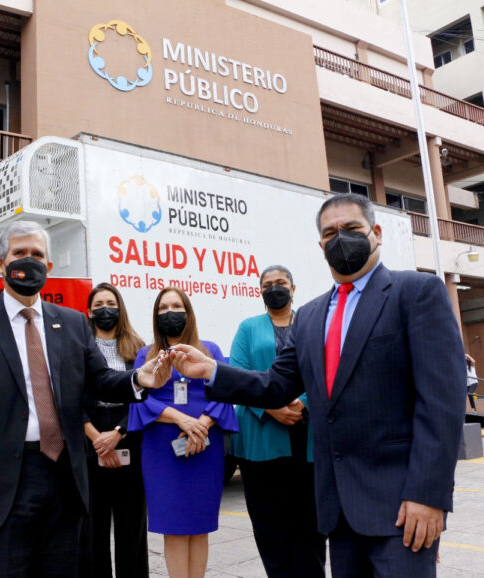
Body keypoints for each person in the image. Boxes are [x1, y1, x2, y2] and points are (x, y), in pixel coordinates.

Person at [169, 193, 466, 577]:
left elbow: (441, 403)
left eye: (352, 228)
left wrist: (428, 495)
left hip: (402, 507)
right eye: (330, 233)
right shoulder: (310, 316)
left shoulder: (417, 292)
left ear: (376, 233)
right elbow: (276, 385)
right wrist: (212, 371)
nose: (341, 239)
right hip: (338, 512)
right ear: (321, 245)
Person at [0, 221, 167, 577]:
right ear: (0, 264)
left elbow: (100, 380)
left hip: (64, 479)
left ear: (49, 266)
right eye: (19, 253)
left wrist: (138, 378)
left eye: (37, 254)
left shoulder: (73, 324)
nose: (29, 260)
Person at [128, 286, 238, 578]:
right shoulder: (146, 355)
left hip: (206, 444)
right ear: (155, 316)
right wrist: (182, 420)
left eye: (176, 306)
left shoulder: (210, 350)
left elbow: (225, 391)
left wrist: (201, 425)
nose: (170, 313)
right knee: (174, 527)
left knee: (200, 527)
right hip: (161, 449)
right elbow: (140, 399)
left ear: (188, 313)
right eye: (163, 308)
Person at [228, 265, 326, 577]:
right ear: (260, 291)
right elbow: (238, 375)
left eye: (280, 282)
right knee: (271, 526)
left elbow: (327, 369)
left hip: (308, 437)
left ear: (293, 288)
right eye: (267, 284)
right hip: (261, 441)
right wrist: (271, 406)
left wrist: (303, 402)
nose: (274, 288)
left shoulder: (311, 323)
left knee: (311, 525)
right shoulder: (248, 327)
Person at [83, 282, 148, 577]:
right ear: (89, 311)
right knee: (93, 528)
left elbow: (145, 397)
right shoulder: (80, 347)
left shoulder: (138, 348)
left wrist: (118, 433)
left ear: (120, 308)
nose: (105, 309)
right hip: (90, 437)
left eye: (110, 303)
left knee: (131, 526)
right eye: (98, 305)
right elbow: (70, 397)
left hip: (129, 433)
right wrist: (98, 439)